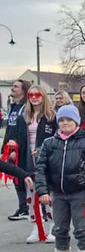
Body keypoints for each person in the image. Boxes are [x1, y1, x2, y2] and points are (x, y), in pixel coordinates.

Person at [36, 105, 85, 252]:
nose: (64, 123)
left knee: (81, 229)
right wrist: (42, 191)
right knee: (59, 229)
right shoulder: (49, 143)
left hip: (80, 193)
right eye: (61, 120)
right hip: (58, 194)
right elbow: (41, 169)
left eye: (68, 120)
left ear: (76, 121)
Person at [16, 84, 57, 243]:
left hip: (47, 161)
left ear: (43, 96)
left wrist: (43, 150)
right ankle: (36, 228)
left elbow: (58, 138)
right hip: (27, 161)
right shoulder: (24, 116)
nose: (33, 97)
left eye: (37, 94)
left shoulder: (51, 116)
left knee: (48, 195)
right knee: (31, 196)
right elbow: (19, 138)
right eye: (31, 95)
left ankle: (53, 227)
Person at [3, 79, 31, 219]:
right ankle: (23, 207)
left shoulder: (26, 107)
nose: (12, 88)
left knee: (22, 176)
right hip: (10, 147)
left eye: (15, 86)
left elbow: (24, 131)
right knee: (15, 177)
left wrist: (17, 148)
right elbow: (10, 128)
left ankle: (27, 207)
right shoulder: (13, 106)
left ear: (23, 90)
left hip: (20, 149)